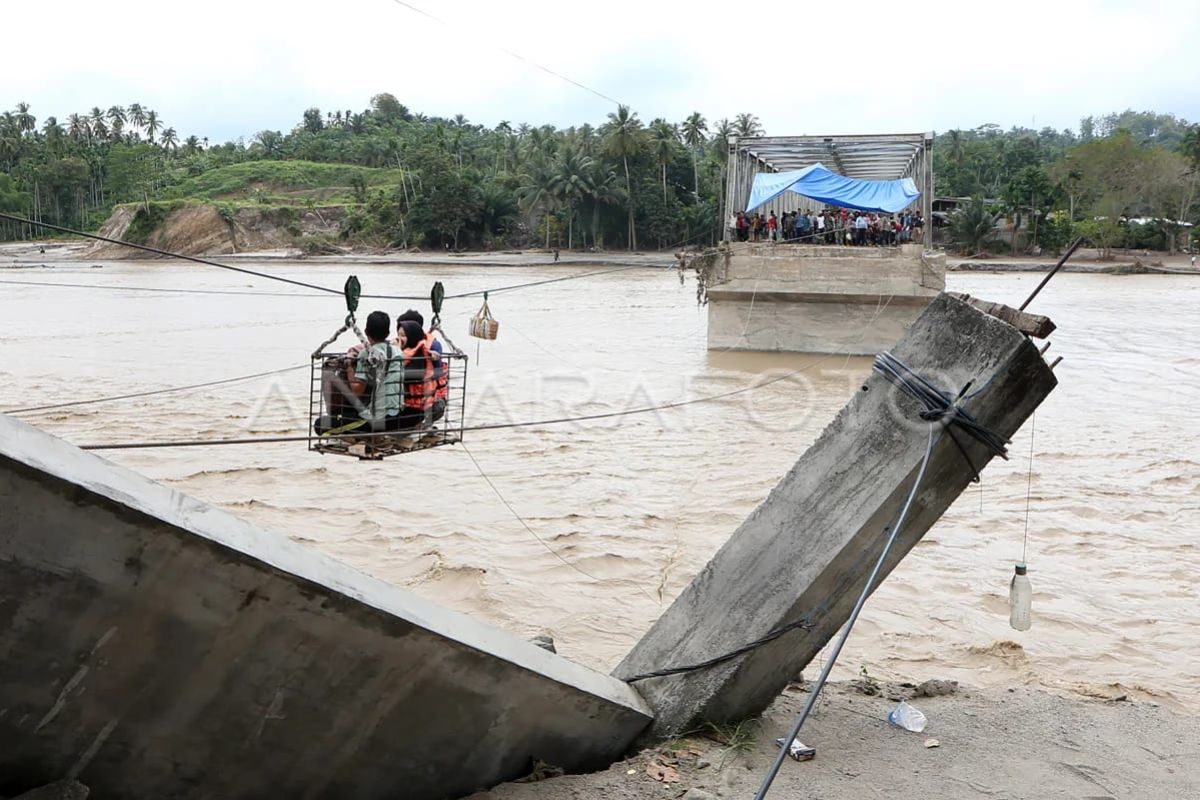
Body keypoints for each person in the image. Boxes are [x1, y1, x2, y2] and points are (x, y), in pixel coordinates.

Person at [315, 310, 403, 437]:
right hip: (397, 414)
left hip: (377, 419)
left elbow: (357, 391)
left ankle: (356, 438)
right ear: (388, 333)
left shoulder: (366, 354)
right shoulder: (398, 352)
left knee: (319, 425)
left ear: (366, 332)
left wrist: (349, 366)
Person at [397, 309, 448, 422]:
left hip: (432, 399)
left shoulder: (432, 346)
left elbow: (437, 373)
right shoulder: (406, 346)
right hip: (413, 398)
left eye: (404, 333)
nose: (399, 337)